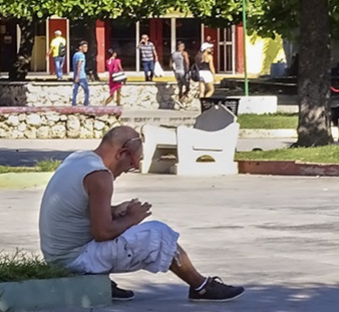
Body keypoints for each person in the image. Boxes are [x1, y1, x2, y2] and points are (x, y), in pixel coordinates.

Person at [38, 126, 245, 302]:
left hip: (57, 256)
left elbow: (79, 210)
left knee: (129, 230)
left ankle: (98, 280)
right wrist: (132, 218)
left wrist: (115, 211)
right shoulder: (100, 176)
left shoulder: (79, 159)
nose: (134, 167)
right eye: (133, 161)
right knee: (158, 233)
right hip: (74, 260)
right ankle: (201, 287)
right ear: (121, 153)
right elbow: (102, 232)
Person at [71, 41, 90, 106]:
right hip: (81, 76)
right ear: (80, 47)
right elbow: (79, 65)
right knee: (86, 91)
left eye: (86, 47)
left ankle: (73, 103)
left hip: (75, 75)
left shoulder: (75, 55)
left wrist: (76, 75)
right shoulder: (81, 55)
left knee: (75, 91)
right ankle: (86, 104)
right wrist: (78, 76)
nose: (86, 48)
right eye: (84, 47)